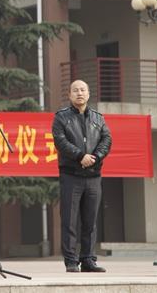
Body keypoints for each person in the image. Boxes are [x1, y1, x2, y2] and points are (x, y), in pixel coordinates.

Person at [51, 79, 112, 273]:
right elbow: (60, 141)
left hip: (93, 175)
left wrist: (96, 157)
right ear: (69, 95)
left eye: (83, 90)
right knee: (69, 220)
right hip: (71, 175)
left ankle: (88, 259)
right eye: (75, 90)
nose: (79, 93)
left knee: (90, 220)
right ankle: (71, 260)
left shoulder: (98, 118)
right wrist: (80, 156)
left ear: (88, 94)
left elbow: (106, 139)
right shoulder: (61, 117)